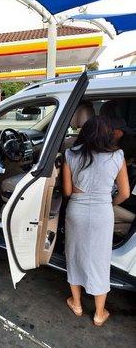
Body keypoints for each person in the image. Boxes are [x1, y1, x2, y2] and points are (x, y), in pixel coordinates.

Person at [63, 116, 130, 326]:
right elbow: (125, 193)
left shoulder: (70, 154)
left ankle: (76, 303)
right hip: (102, 212)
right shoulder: (117, 155)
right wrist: (108, 202)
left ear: (84, 132)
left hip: (77, 210)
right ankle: (100, 313)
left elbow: (66, 191)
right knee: (100, 259)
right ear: (107, 134)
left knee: (73, 254)